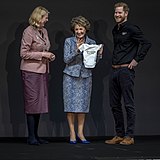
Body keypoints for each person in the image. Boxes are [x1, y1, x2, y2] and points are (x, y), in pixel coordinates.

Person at [105, 2, 151, 145]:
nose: (117, 15)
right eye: (115, 12)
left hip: (126, 71)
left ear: (126, 13)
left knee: (128, 104)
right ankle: (119, 134)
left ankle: (129, 136)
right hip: (114, 70)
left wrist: (137, 59)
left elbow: (146, 43)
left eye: (120, 13)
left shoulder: (132, 28)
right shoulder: (115, 29)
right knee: (114, 105)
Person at [63, 16, 103, 144]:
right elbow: (66, 59)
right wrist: (77, 50)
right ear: (73, 30)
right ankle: (72, 133)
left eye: (81, 29)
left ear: (86, 29)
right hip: (70, 76)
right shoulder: (69, 41)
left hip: (85, 76)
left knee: (82, 106)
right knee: (70, 105)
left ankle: (80, 133)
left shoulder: (91, 42)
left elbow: (93, 63)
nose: (79, 31)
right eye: (77, 29)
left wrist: (99, 54)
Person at [20, 6, 55, 145]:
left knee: (39, 104)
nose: (47, 19)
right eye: (45, 17)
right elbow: (23, 53)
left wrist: (49, 55)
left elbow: (45, 47)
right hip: (30, 72)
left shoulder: (44, 31)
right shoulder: (28, 31)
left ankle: (36, 135)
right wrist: (43, 54)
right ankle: (31, 137)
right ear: (39, 17)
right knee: (32, 104)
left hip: (42, 71)